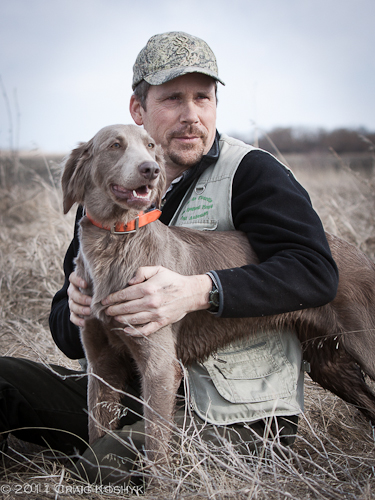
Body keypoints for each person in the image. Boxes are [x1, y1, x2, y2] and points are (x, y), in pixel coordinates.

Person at [0, 32, 338, 485]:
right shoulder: (107, 192)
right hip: (127, 390)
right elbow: (66, 329)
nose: (191, 114)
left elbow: (316, 272)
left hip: (227, 411)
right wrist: (77, 311)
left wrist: (199, 291)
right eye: (173, 98)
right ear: (138, 110)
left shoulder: (252, 172)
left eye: (203, 97)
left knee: (106, 466)